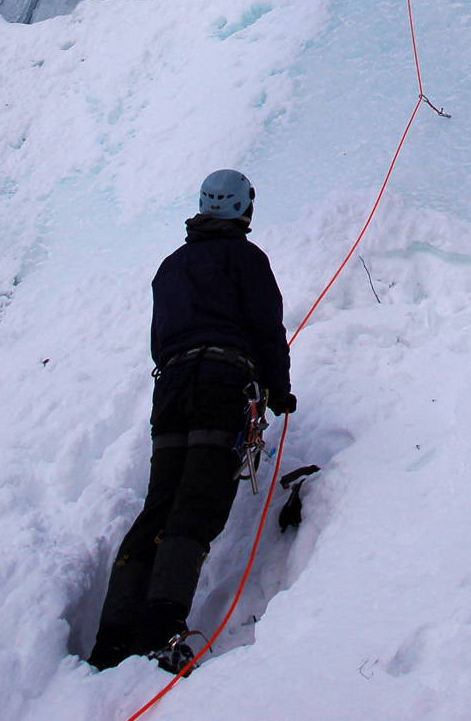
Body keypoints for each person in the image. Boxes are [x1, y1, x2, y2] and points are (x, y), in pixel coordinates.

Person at [88, 169, 294, 675]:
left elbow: (160, 340)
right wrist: (276, 390)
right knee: (198, 501)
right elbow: (266, 327)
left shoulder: (171, 267)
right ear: (244, 208)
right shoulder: (246, 258)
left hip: (172, 388)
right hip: (222, 385)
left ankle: (112, 640)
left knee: (159, 505)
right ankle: (161, 633)